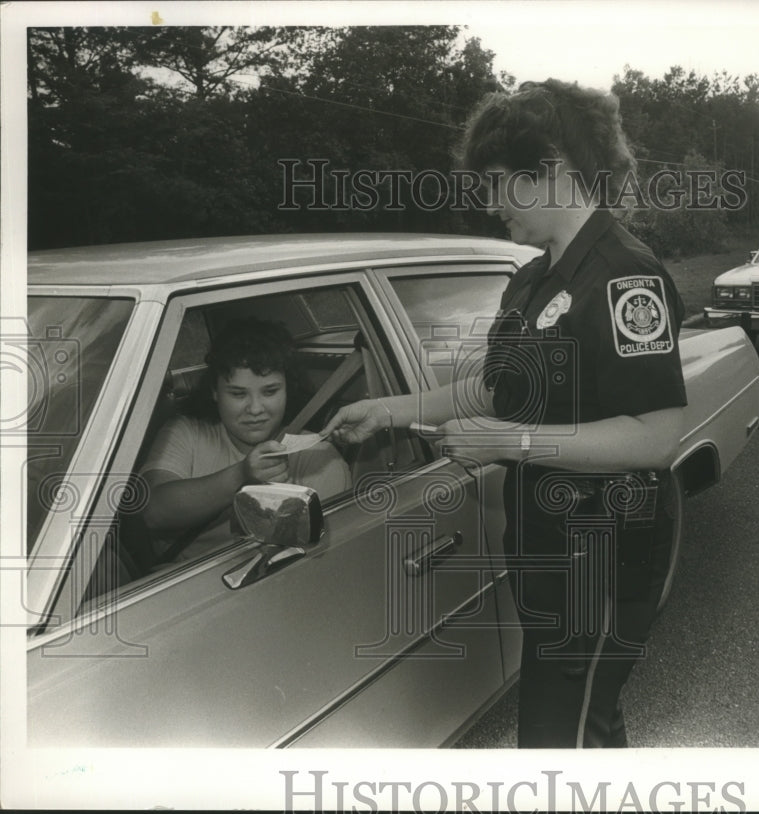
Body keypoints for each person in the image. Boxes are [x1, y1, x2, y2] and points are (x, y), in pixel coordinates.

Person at [321, 79, 687, 748]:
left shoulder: (625, 278)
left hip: (607, 554)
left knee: (553, 745)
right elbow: (496, 392)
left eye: (496, 184)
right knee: (589, 726)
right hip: (547, 546)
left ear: (549, 170)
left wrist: (511, 443)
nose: (490, 205)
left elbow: (657, 435)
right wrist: (391, 409)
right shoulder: (530, 276)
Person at [141, 316, 351, 561]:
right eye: (238, 394)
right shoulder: (186, 431)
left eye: (270, 391)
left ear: (287, 390)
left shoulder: (319, 456)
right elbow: (153, 512)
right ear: (215, 392)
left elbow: (327, 555)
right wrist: (241, 475)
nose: (255, 409)